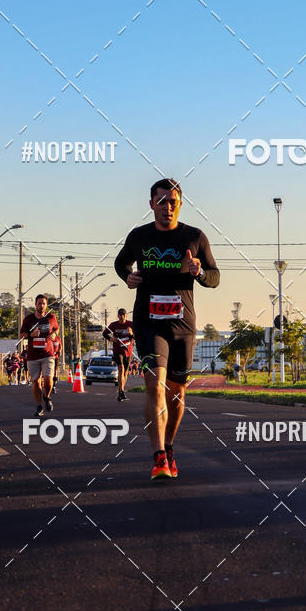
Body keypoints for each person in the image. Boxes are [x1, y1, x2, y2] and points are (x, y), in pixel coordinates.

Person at [115, 178, 219, 480]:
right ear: (151, 205)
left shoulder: (195, 237)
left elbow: (215, 277)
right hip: (148, 324)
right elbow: (121, 264)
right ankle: (159, 456)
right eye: (161, 202)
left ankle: (169, 446)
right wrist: (128, 277)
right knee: (154, 386)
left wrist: (199, 271)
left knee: (176, 394)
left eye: (172, 201)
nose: (167, 207)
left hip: (183, 325)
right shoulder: (139, 237)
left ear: (180, 204)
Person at [20, 294, 59, 416]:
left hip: (48, 354)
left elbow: (56, 329)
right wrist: (31, 334)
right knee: (35, 382)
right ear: (35, 304)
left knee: (48, 380)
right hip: (33, 355)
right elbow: (21, 335)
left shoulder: (51, 317)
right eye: (39, 303)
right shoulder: (28, 319)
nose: (41, 305)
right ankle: (39, 407)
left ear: (46, 305)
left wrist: (54, 335)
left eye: (43, 303)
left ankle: (46, 396)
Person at [103, 308, 134, 402]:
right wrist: (111, 339)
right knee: (121, 368)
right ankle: (121, 392)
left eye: (123, 315)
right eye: (120, 315)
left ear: (126, 315)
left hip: (128, 350)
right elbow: (104, 333)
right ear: (118, 316)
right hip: (117, 350)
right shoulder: (114, 325)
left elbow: (137, 335)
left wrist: (131, 333)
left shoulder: (131, 324)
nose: (122, 316)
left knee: (125, 373)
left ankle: (122, 390)